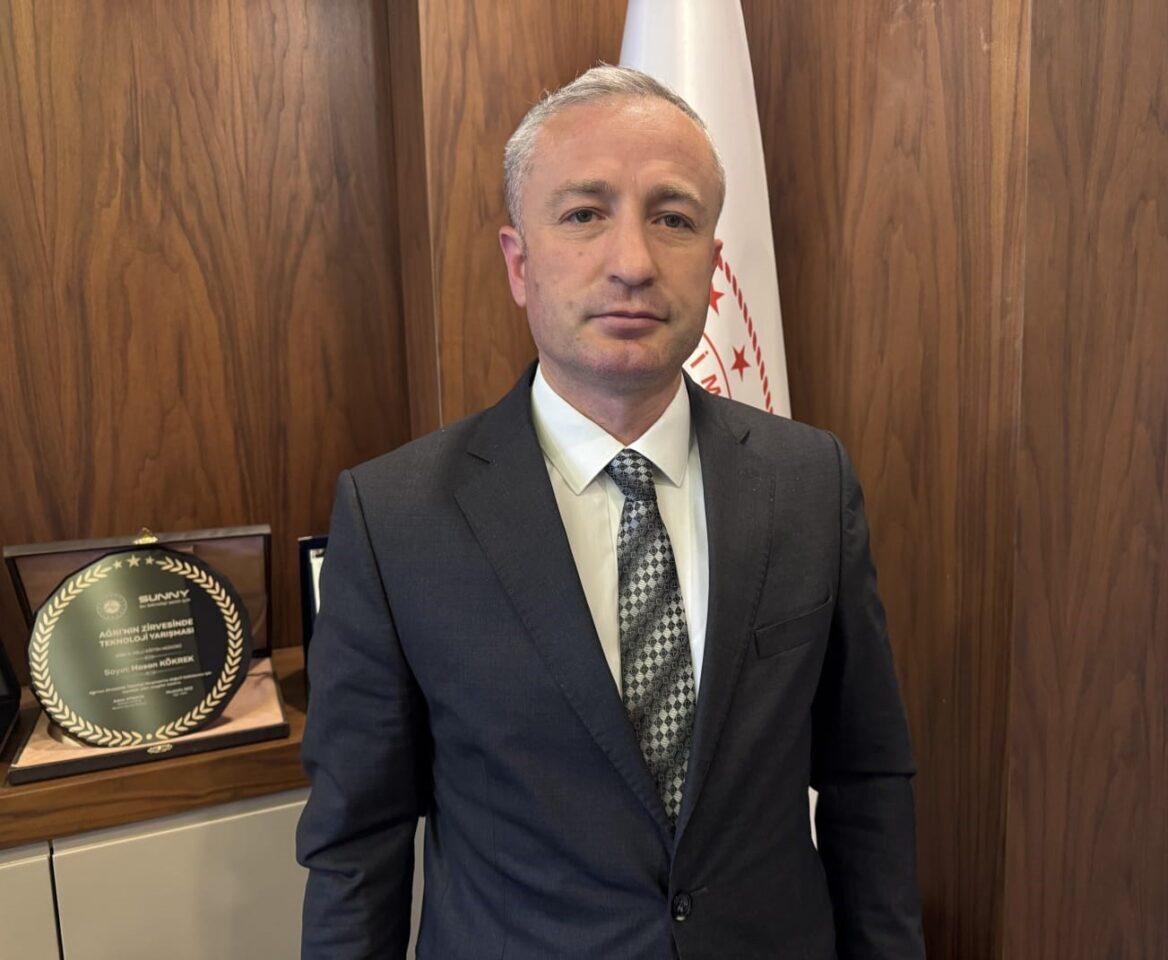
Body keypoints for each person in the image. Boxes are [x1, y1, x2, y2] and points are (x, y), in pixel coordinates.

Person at [296, 65, 925, 959]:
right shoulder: (395, 517)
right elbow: (357, 847)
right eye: (585, 214)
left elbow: (867, 778)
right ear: (519, 263)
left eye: (673, 219)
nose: (633, 262)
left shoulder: (809, 480)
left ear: (713, 261)